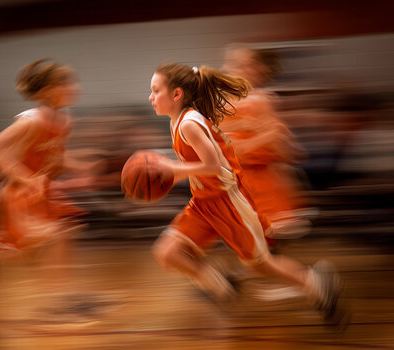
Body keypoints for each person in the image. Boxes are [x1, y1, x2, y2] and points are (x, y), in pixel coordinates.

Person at [147, 62, 348, 328]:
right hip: (204, 202)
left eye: (155, 90)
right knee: (167, 252)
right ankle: (222, 286)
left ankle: (316, 284)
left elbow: (214, 166)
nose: (150, 97)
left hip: (228, 202)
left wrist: (172, 169)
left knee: (260, 265)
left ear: (177, 94)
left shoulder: (189, 124)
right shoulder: (178, 121)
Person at [0, 59, 109, 318]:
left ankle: (61, 295)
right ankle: (57, 300)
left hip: (42, 193)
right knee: (49, 240)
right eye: (66, 83)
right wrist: (26, 179)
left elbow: (55, 159)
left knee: (62, 235)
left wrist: (81, 164)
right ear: (47, 91)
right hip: (17, 195)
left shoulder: (66, 120)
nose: (74, 87)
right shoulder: (31, 121)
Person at [220, 44, 311, 241]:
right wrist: (265, 136)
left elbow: (289, 152)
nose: (231, 69)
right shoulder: (220, 103)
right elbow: (229, 150)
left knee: (260, 246)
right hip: (235, 184)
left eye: (243, 65)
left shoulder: (261, 101)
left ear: (257, 71)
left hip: (262, 186)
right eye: (231, 63)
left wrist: (268, 140)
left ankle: (303, 273)